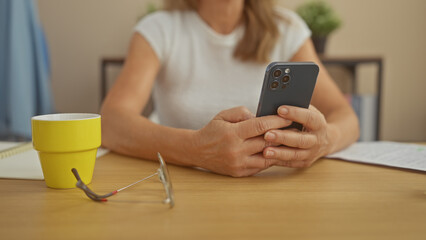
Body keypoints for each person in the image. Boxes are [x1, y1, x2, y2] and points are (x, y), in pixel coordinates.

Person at [100, 0, 359, 177]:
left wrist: (325, 141)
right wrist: (195, 149)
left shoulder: (287, 29)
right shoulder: (158, 29)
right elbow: (111, 122)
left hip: (272, 190)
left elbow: (345, 116)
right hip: (184, 188)